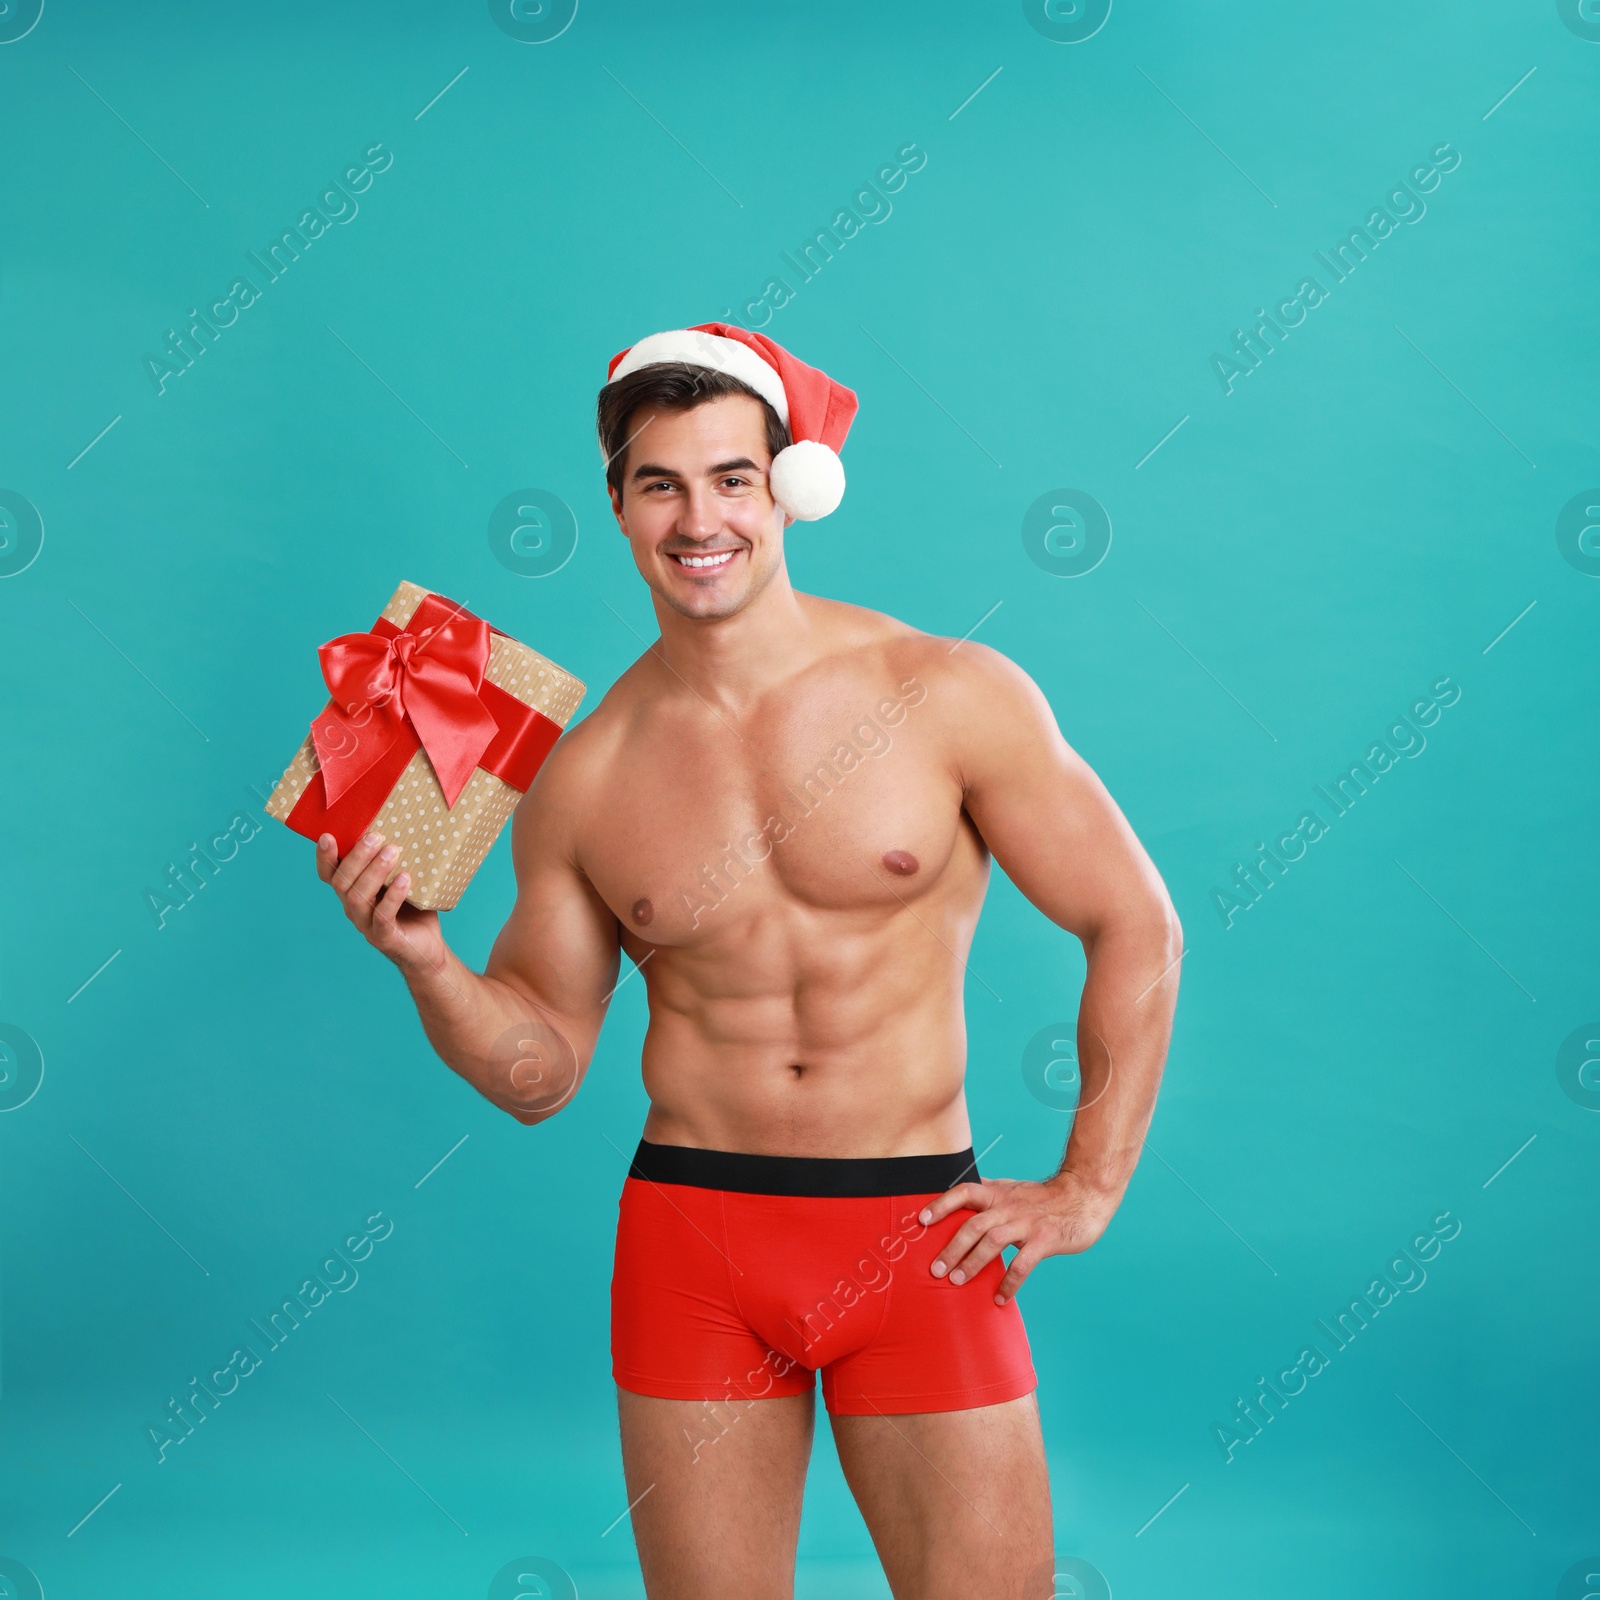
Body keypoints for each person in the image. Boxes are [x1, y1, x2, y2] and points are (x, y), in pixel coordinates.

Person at [315, 323, 1181, 1600]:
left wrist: (1088, 1183)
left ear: (788, 486)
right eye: (659, 481)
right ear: (615, 504)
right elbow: (540, 1068)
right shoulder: (584, 773)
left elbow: (1135, 922)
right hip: (694, 1240)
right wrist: (426, 962)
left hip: (915, 1235)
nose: (697, 516)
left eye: (731, 476)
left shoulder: (945, 691)